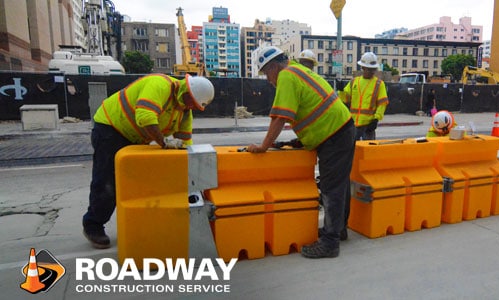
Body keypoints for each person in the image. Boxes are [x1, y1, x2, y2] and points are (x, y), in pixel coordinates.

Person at [82, 74, 215, 249]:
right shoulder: (160, 85)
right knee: (107, 181)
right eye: (192, 103)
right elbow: (145, 116)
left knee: (138, 185)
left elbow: (185, 143)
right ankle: (93, 225)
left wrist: (190, 174)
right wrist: (164, 142)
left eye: (196, 106)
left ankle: (137, 225)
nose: (192, 107)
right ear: (187, 92)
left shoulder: (184, 112)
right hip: (111, 128)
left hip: (135, 138)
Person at [247, 46, 355, 259]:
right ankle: (338, 230)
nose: (269, 80)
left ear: (275, 66)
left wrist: (264, 146)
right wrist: (303, 140)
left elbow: (280, 117)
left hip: (333, 135)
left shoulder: (286, 75)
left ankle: (330, 242)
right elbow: (310, 108)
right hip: (342, 129)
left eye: (266, 73)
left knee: (331, 187)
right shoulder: (298, 70)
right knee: (340, 185)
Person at [341, 52, 389, 140]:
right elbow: (345, 100)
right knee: (353, 151)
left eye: (374, 69)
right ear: (363, 68)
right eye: (369, 69)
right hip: (354, 124)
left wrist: (376, 119)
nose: (372, 72)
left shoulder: (379, 84)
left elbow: (382, 103)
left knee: (368, 151)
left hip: (369, 126)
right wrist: (341, 91)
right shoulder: (354, 82)